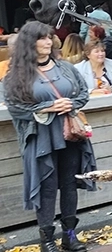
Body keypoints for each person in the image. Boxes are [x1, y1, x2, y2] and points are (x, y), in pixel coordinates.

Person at [1, 21, 96, 252]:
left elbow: (83, 93)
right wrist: (47, 107)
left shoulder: (65, 68)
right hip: (41, 138)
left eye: (48, 37)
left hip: (70, 136)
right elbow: (15, 107)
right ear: (29, 43)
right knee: (47, 188)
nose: (47, 41)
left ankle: (69, 236)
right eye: (41, 38)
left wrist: (70, 103)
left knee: (70, 185)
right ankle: (47, 241)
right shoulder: (16, 75)